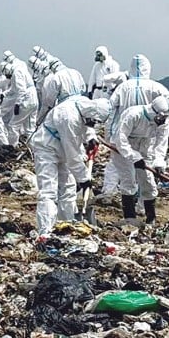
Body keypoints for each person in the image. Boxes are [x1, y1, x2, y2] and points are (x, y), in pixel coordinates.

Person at [30, 95, 111, 238]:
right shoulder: (68, 118)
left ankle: (66, 226)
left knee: (68, 189)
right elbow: (73, 155)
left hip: (62, 149)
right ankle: (46, 233)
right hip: (46, 148)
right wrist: (84, 178)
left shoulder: (83, 105)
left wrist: (91, 137)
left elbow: (87, 125)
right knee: (49, 191)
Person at [112, 96, 169, 225]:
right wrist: (133, 156)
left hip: (145, 146)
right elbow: (120, 138)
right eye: (161, 118)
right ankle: (130, 218)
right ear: (154, 112)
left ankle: (151, 218)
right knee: (129, 180)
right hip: (124, 147)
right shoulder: (133, 115)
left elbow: (161, 142)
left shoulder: (162, 122)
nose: (163, 121)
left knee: (148, 182)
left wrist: (159, 161)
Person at [37, 57, 86, 124]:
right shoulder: (75, 72)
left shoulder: (56, 77)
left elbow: (50, 98)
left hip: (67, 106)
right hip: (82, 102)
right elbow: (83, 89)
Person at [1, 57, 37, 147]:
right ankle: (33, 149)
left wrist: (17, 104)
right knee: (30, 128)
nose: (6, 77)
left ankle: (12, 147)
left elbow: (21, 91)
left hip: (26, 100)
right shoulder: (20, 70)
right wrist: (3, 94)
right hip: (33, 99)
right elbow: (13, 89)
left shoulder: (16, 73)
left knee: (13, 125)